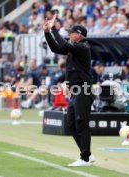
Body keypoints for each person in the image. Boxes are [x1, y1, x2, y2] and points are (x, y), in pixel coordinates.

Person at [43, 13, 95, 166]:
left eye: (71, 33)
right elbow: (56, 47)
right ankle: (88, 154)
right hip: (75, 91)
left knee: (81, 123)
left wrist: (54, 29)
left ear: (79, 35)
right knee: (71, 125)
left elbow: (64, 45)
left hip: (83, 90)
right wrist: (47, 32)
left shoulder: (83, 47)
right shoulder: (74, 47)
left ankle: (84, 158)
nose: (69, 35)